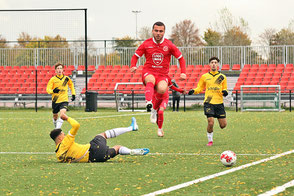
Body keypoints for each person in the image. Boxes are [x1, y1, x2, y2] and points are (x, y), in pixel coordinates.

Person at [130, 21, 186, 112]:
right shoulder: (146, 43)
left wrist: (183, 72)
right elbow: (135, 56)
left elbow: (181, 58)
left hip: (162, 74)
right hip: (149, 71)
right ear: (152, 31)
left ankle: (154, 109)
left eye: (161, 31)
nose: (158, 33)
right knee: (150, 80)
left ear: (164, 32)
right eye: (156, 31)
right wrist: (133, 65)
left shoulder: (169, 45)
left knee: (162, 89)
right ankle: (148, 102)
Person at [49, 115, 149, 163]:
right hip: (92, 149)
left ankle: (131, 151)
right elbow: (76, 125)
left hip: (95, 159)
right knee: (102, 135)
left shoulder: (58, 155)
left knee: (117, 149)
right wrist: (67, 118)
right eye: (63, 134)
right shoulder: (65, 142)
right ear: (59, 138)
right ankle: (131, 127)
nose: (65, 135)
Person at [188, 57, 228, 146]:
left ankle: (218, 124)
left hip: (219, 102)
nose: (214, 64)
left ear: (218, 65)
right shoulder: (205, 76)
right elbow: (200, 88)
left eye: (215, 62)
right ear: (209, 64)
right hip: (209, 101)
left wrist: (225, 92)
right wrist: (193, 91)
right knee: (210, 122)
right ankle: (210, 140)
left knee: (223, 125)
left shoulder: (222, 77)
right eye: (212, 62)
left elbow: (225, 88)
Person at [46, 63, 76, 129]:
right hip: (55, 100)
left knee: (62, 115)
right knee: (55, 116)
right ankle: (56, 127)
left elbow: (71, 86)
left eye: (60, 68)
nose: (59, 70)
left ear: (63, 70)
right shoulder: (53, 79)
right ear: (55, 70)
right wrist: (53, 91)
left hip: (64, 100)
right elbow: (48, 89)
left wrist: (73, 94)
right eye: (58, 68)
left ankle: (57, 130)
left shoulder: (66, 79)